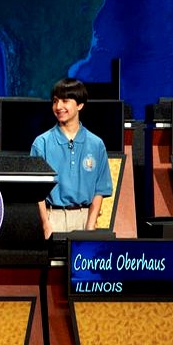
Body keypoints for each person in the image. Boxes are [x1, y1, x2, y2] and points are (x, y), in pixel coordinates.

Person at [30, 78, 113, 239]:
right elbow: (36, 191)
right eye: (55, 101)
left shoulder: (96, 144)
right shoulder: (42, 143)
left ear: (80, 105)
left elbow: (100, 189)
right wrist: (46, 224)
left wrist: (90, 226)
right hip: (53, 217)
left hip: (85, 218)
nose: (58, 107)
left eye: (65, 101)